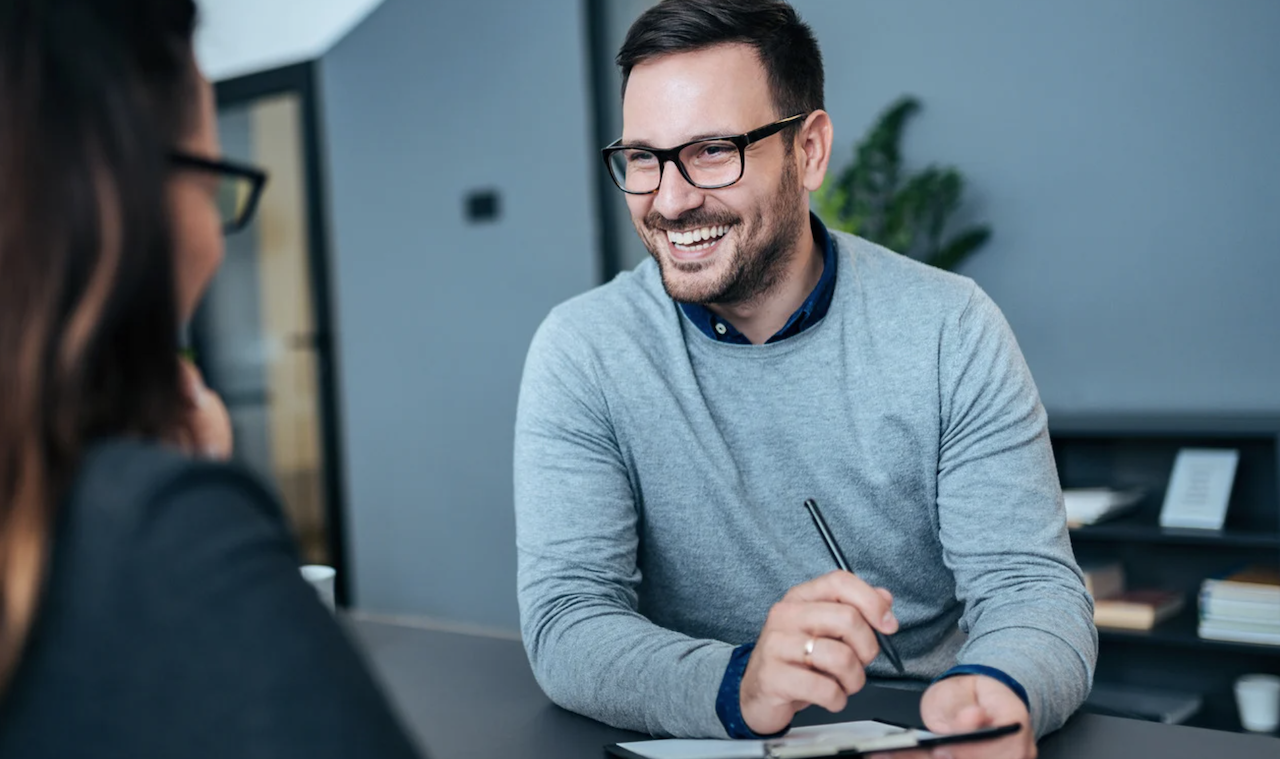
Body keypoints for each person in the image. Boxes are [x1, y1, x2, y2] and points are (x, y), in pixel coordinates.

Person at [513, 0, 1095, 754]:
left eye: (714, 150)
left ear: (810, 151)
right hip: (715, 734)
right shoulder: (584, 350)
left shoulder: (950, 327)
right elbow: (569, 620)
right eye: (645, 157)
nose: (670, 198)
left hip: (924, 733)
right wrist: (740, 683)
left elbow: (1033, 589)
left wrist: (998, 692)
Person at [0, 1, 421, 757]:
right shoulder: (160, 535)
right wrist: (177, 502)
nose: (218, 248)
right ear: (125, 195)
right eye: (213, 181)